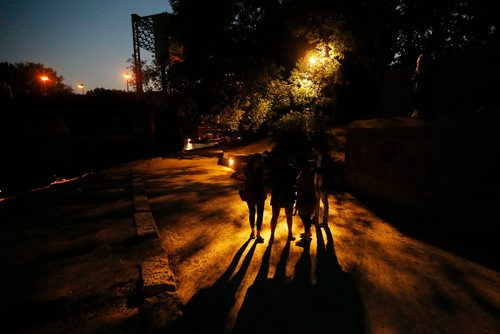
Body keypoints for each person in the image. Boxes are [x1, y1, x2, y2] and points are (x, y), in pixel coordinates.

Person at [235, 153, 267, 243]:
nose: (261, 162)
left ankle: (256, 233)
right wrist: (245, 180)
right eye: (260, 160)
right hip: (257, 194)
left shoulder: (248, 168)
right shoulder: (260, 168)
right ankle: (255, 232)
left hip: (253, 194)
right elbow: (269, 174)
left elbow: (235, 175)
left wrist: (245, 180)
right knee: (255, 213)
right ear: (256, 160)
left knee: (255, 213)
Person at [268, 153, 297, 243]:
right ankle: (288, 234)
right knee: (286, 216)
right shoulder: (290, 168)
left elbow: (270, 181)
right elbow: (294, 182)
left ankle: (273, 235)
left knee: (276, 216)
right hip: (286, 194)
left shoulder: (276, 168)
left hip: (280, 194)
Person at [294, 155, 317, 247]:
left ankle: (306, 238)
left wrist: (299, 199)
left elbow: (304, 186)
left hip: (306, 198)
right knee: (305, 216)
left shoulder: (305, 173)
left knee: (305, 216)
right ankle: (307, 233)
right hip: (307, 197)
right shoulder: (306, 171)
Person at [312, 141, 334, 226]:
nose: (314, 151)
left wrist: (316, 170)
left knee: (324, 201)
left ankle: (325, 220)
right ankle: (316, 217)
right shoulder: (317, 156)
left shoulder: (327, 158)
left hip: (323, 182)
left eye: (315, 149)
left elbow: (327, 171)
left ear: (319, 149)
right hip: (317, 181)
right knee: (316, 200)